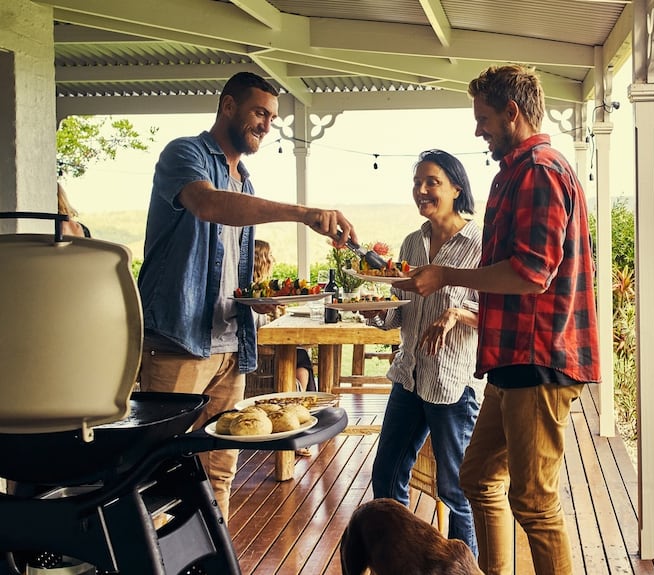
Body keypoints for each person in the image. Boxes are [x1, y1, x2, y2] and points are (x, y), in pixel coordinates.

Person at [395, 65, 600, 575]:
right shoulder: (515, 169)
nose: (477, 130)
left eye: (483, 118)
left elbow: (533, 273)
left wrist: (444, 276)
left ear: (512, 112)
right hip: (510, 358)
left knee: (532, 501)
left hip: (539, 358)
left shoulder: (540, 170)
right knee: (479, 476)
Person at [136, 71, 358, 522]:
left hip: (230, 348)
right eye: (260, 112)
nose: (266, 125)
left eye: (272, 118)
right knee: (162, 472)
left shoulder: (247, 182)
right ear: (228, 106)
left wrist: (253, 303)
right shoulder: (186, 154)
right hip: (178, 343)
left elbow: (231, 272)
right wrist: (303, 213)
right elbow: (209, 205)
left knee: (219, 471)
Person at [365, 149, 483, 556]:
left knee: (456, 491)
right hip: (409, 375)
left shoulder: (480, 243)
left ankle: (466, 569)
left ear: (456, 187)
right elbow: (400, 312)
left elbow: (498, 314)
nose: (421, 190)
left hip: (452, 383)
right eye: (417, 182)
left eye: (431, 181)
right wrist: (374, 311)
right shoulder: (412, 242)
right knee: (386, 478)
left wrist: (457, 313)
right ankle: (401, 560)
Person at [252, 239, 316, 392]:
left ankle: (299, 392)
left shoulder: (262, 288)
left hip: (263, 344)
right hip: (259, 347)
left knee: (298, 352)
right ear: (262, 260)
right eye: (270, 255)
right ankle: (299, 395)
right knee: (300, 354)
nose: (273, 260)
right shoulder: (254, 292)